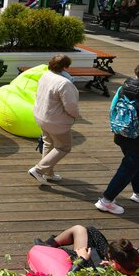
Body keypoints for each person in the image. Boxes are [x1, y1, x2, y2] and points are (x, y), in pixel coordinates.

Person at [95, 63, 139, 215]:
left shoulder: (123, 88)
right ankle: (106, 201)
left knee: (135, 163)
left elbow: (112, 108)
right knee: (128, 168)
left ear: (136, 73)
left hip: (122, 133)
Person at [29, 55, 80, 185]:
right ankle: (39, 170)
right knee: (64, 147)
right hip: (56, 121)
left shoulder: (45, 75)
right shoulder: (64, 83)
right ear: (65, 67)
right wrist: (75, 115)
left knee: (48, 143)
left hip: (41, 116)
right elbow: (70, 106)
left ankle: (48, 173)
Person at [34, 225, 139, 275]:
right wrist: (112, 266)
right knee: (90, 230)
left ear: (115, 263)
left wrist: (82, 260)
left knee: (78, 230)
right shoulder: (138, 266)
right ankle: (49, 243)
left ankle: (48, 245)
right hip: (108, 268)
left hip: (93, 272)